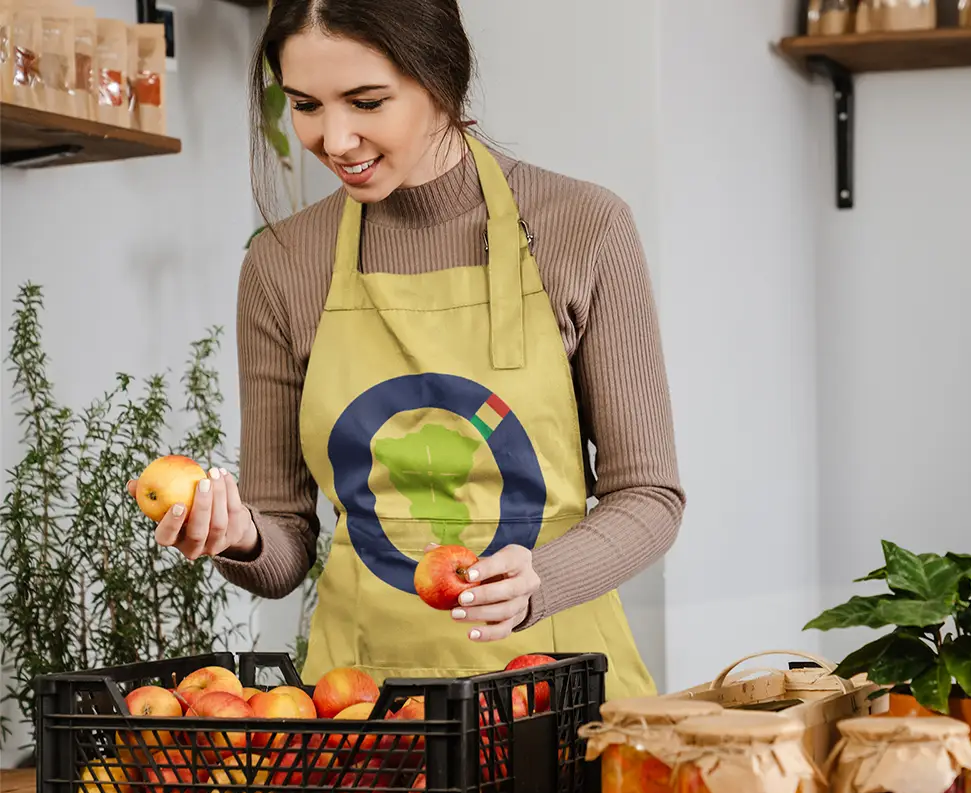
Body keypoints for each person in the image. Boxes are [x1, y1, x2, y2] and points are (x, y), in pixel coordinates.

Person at [126, 0, 682, 700]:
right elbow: (286, 546)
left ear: (441, 77)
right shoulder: (282, 264)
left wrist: (543, 580)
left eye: (367, 102)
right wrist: (238, 537)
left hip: (556, 690)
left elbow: (649, 496)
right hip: (363, 702)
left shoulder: (585, 227)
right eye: (304, 104)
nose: (335, 139)